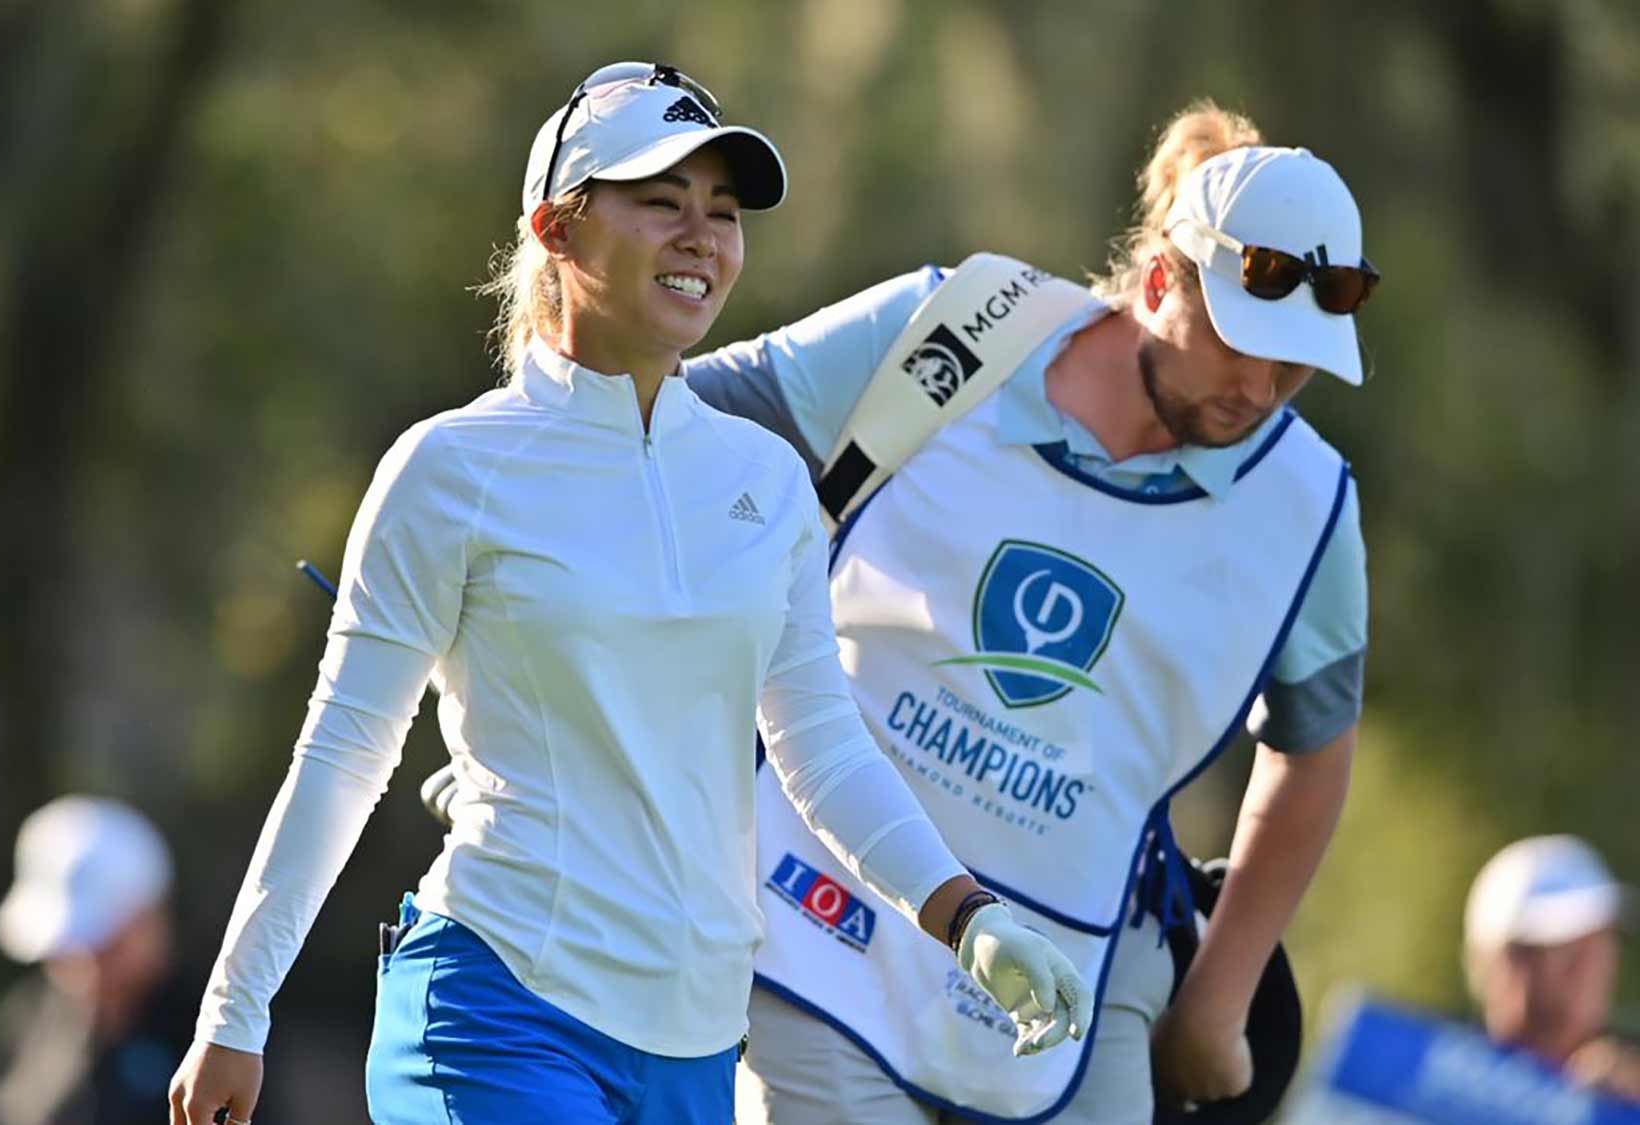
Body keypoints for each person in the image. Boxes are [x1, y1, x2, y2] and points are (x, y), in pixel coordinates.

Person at [414, 98, 1370, 1123]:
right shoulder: (955, 330)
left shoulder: (1309, 505)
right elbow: (658, 427)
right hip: (815, 907)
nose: (1263, 389)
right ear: (1152, 284)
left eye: (1296, 365)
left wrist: (1217, 999)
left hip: (1075, 960)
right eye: (1241, 347)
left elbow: (1311, 752)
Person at [167, 61, 1088, 1125]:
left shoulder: (764, 481)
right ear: (554, 229)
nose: (701, 236)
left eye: (723, 213)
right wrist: (235, 1011)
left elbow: (819, 747)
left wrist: (963, 912)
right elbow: (343, 754)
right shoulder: (451, 469)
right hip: (497, 1009)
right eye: (660, 204)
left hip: (692, 1047)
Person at [0, 796, 188, 1125]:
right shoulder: (24, 1020)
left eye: (106, 945)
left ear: (152, 920)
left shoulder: (224, 1029)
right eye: (68, 946)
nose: (86, 966)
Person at [1464, 835, 1640, 1102]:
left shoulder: (1628, 1085)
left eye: (1599, 940)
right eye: (1560, 947)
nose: (1588, 966)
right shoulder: (1436, 1077)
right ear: (1494, 962)